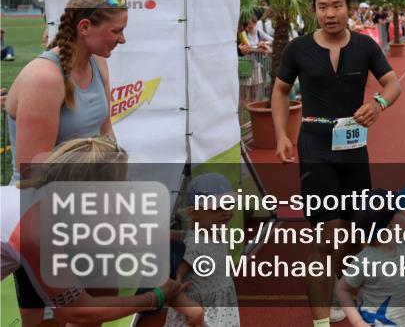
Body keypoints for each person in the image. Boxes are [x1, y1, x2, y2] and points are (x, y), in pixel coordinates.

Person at [270, 0, 402, 326]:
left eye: (337, 6)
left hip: (355, 148)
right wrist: (282, 135)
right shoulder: (297, 49)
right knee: (326, 236)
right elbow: (281, 91)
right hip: (315, 148)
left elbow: (393, 83)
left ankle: (343, 296)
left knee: (356, 235)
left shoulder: (364, 46)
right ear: (314, 10)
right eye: (323, 6)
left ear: (348, 8)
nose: (330, 13)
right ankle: (320, 321)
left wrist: (379, 104)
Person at [4, 0, 128, 325]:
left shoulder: (98, 64)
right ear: (85, 26)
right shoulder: (45, 77)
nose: (122, 39)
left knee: (95, 315)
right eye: (116, 31)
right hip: (42, 220)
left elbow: (106, 134)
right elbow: (33, 169)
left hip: (88, 211)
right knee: (51, 321)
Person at [1, 137, 188, 324]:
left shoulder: (53, 199)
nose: (126, 190)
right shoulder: (36, 228)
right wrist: (156, 297)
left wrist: (184, 236)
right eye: (121, 182)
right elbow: (78, 312)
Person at [335, 188, 405, 327]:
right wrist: (357, 321)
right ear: (391, 224)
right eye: (400, 211)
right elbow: (343, 290)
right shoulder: (364, 261)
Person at [165, 173, 241, 327]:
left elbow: (185, 234)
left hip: (220, 304)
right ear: (194, 213)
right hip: (204, 312)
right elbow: (172, 283)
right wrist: (191, 310)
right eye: (216, 208)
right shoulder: (194, 246)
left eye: (228, 204)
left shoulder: (219, 229)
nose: (225, 212)